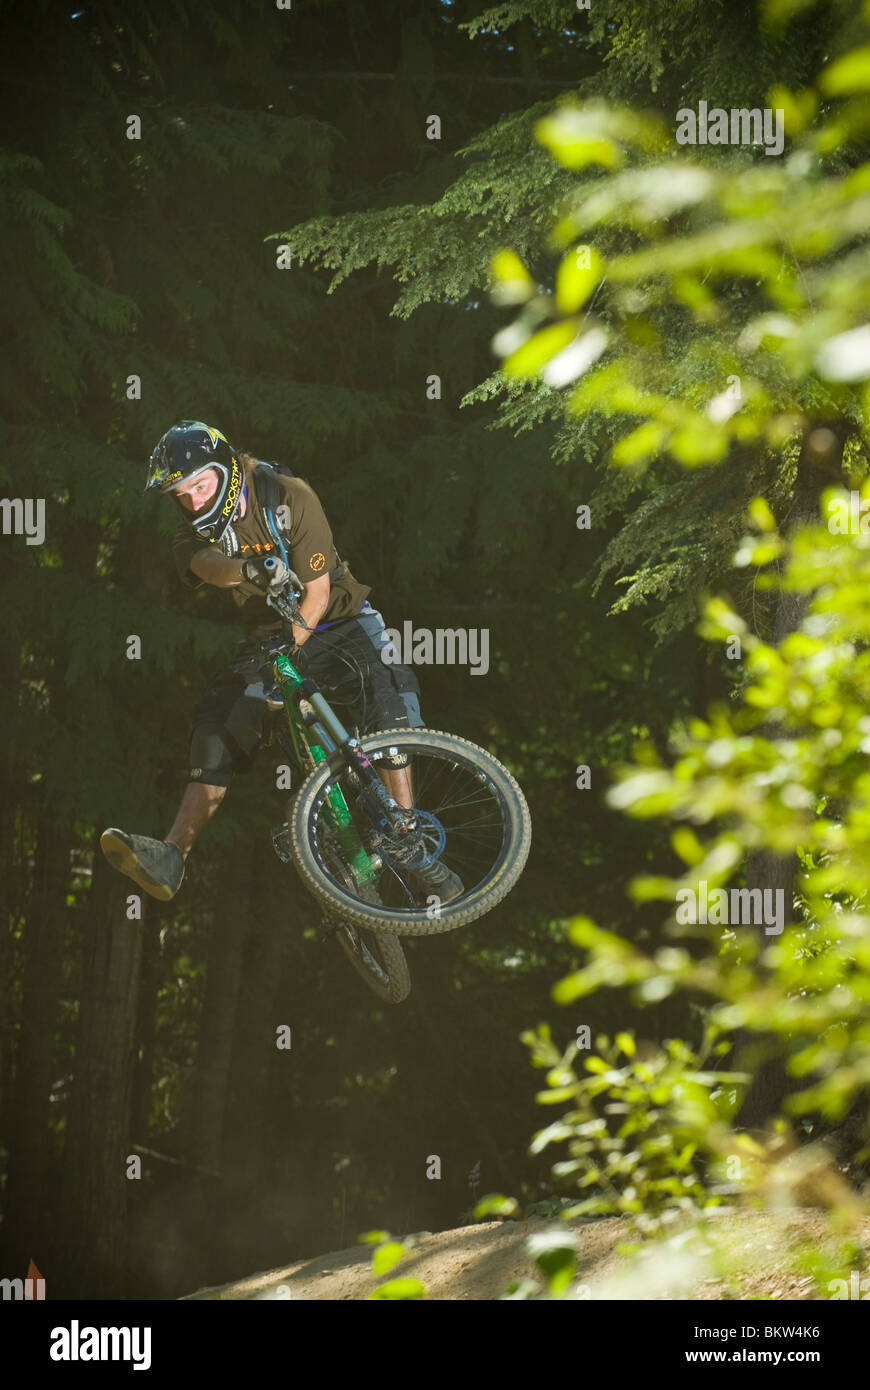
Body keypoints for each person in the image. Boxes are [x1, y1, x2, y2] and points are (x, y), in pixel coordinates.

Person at [100, 420, 462, 905]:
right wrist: (247, 569)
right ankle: (172, 856)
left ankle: (409, 838)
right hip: (267, 639)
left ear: (224, 468)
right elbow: (208, 567)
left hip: (340, 619)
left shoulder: (289, 497)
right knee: (218, 726)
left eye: (200, 486)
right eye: (181, 494)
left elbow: (318, 592)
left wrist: (293, 649)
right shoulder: (190, 533)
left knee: (388, 690)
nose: (193, 502)